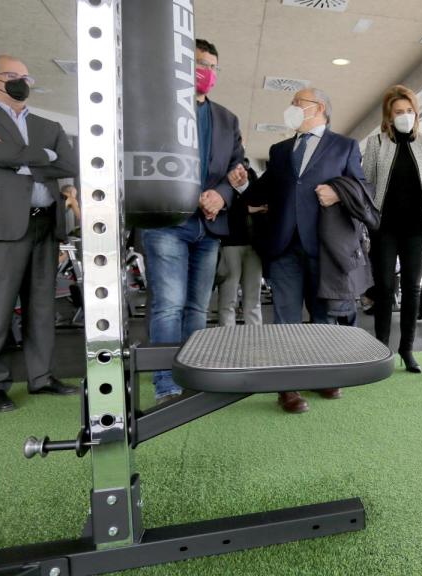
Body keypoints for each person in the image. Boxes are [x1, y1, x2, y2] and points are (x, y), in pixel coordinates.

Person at [0, 54, 79, 412]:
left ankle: (42, 377)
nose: (21, 82)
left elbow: (68, 164)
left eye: (26, 76)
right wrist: (43, 158)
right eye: (12, 75)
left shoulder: (49, 124)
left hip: (45, 223)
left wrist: (17, 158)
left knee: (41, 308)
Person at [140, 39, 248, 405]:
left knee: (198, 308)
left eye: (213, 66)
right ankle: (165, 384)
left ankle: (193, 374)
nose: (208, 71)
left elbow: (239, 169)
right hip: (167, 221)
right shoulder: (157, 108)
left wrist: (222, 194)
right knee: (168, 305)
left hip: (210, 226)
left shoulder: (227, 119)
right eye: (200, 63)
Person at [246, 87, 366, 413]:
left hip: (324, 247)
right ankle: (287, 387)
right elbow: (264, 188)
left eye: (298, 103)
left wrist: (339, 192)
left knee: (323, 317)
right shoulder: (280, 149)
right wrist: (242, 183)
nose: (292, 108)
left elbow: (362, 187)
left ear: (319, 108)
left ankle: (322, 375)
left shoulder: (344, 146)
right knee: (285, 318)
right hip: (284, 246)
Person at [362, 85, 422, 373]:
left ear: (416, 113)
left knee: (412, 288)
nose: (405, 116)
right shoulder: (376, 143)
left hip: (417, 228)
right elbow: (366, 185)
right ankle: (381, 347)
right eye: (399, 112)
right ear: (389, 115)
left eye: (409, 111)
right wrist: (366, 224)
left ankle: (407, 349)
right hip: (383, 227)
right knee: (383, 288)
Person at [215, 157, 264, 326]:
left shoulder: (250, 174)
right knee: (228, 298)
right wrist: (252, 208)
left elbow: (258, 199)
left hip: (253, 243)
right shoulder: (222, 175)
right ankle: (228, 341)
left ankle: (255, 341)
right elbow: (232, 208)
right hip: (230, 243)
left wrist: (252, 207)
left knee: (253, 298)